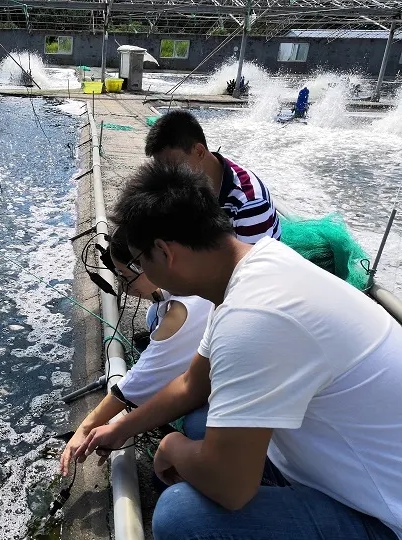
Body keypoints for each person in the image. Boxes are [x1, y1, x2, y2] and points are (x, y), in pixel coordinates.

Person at [75, 161, 402, 540]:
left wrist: (171, 446)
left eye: (137, 261)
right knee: (200, 424)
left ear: (165, 252)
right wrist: (120, 427)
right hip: (349, 462)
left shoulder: (252, 316)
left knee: (181, 515)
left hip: (383, 513)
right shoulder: (258, 264)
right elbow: (192, 385)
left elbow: (231, 487)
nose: (137, 275)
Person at [60, 224, 213, 477]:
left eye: (124, 275)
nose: (123, 285)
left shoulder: (180, 314)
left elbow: (133, 386)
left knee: (196, 425)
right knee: (154, 312)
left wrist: (85, 429)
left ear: (147, 262)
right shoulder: (198, 272)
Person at [146, 110, 280, 244]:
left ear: (199, 152)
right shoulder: (185, 181)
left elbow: (253, 263)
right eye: (161, 168)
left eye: (173, 166)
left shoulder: (249, 203)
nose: (167, 175)